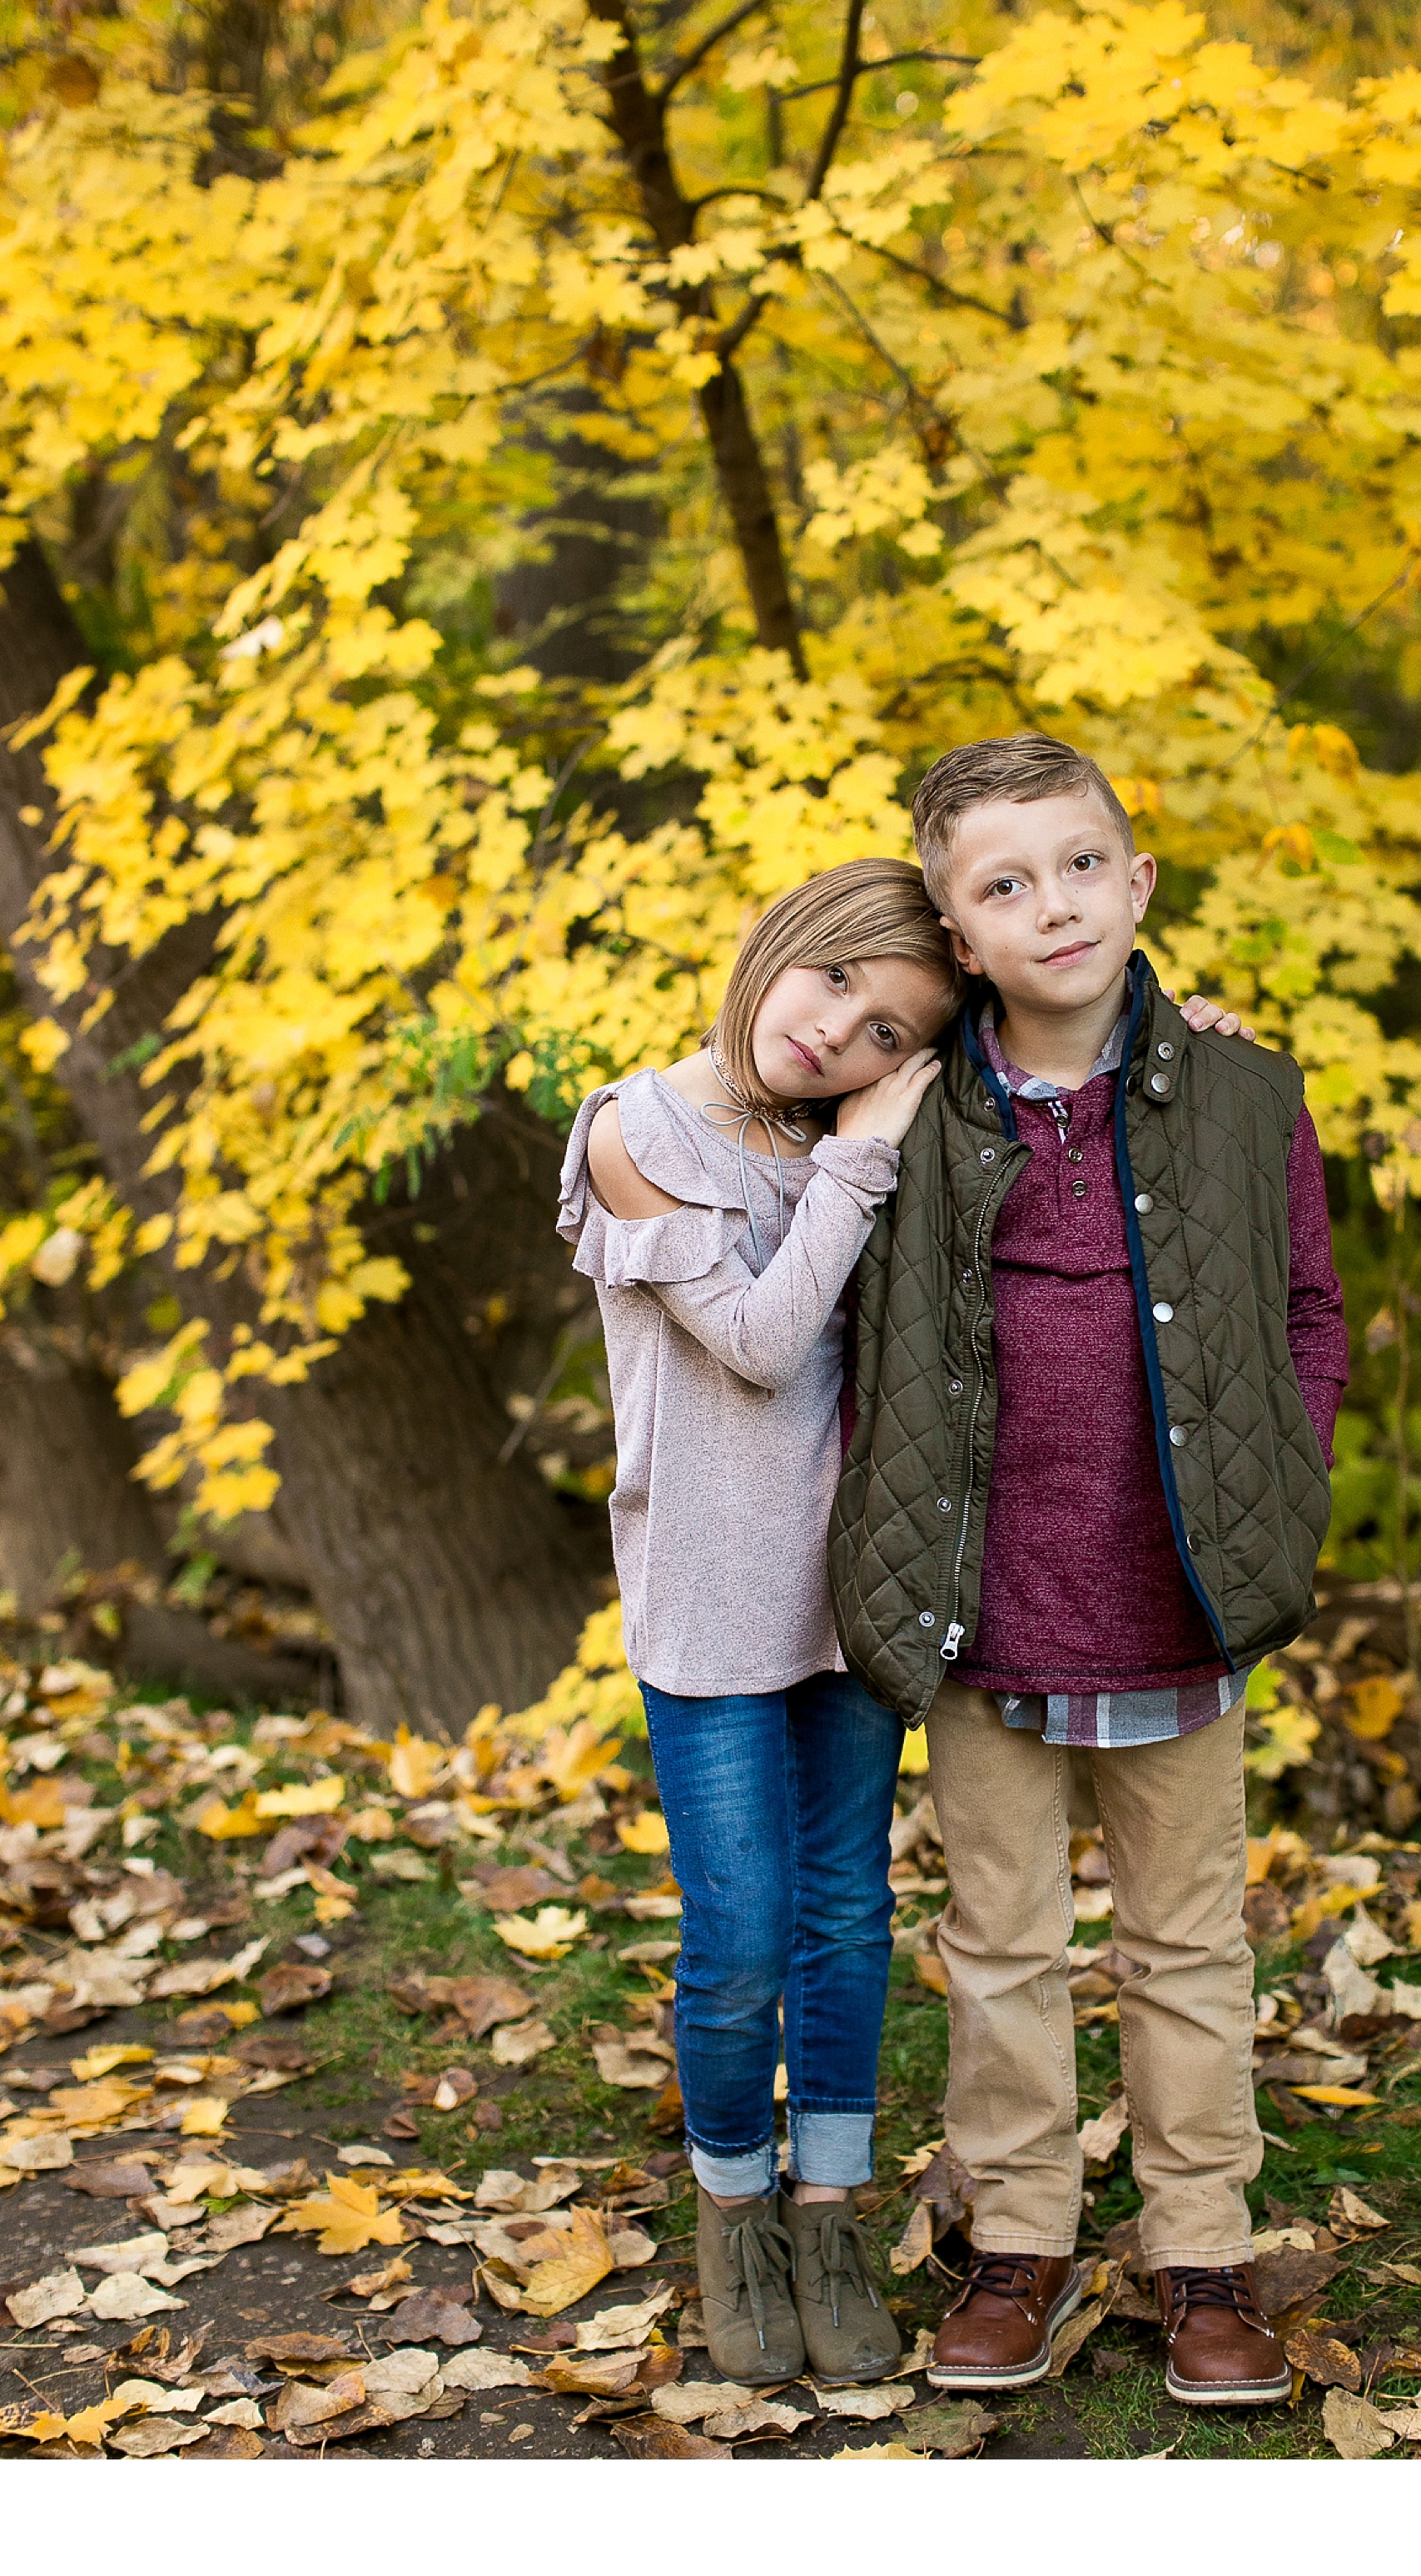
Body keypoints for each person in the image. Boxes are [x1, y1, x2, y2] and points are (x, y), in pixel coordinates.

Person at [556, 851, 1253, 2390]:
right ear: (774, 948)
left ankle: (828, 2212)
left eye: (887, 1030)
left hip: (866, 1596)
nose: (836, 1035)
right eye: (830, 985)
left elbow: (1069, 1099)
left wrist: (1177, 1038)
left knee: (849, 1925)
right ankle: (733, 2212)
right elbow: (753, 1337)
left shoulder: (895, 1130)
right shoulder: (636, 1129)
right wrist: (863, 1156)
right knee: (737, 1941)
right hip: (711, 1613)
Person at [827, 733, 1348, 2405]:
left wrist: (1289, 1471)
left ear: (1136, 882)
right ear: (956, 938)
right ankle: (1022, 2237)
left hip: (1177, 1597)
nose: (1049, 903)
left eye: (1076, 864)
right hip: (979, 1602)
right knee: (1000, 1937)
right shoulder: (900, 1113)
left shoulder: (1246, 1092)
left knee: (1187, 1941)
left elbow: (1305, 1317)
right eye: (1000, 885)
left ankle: (1203, 2247)